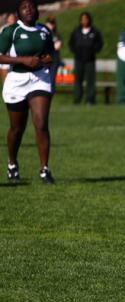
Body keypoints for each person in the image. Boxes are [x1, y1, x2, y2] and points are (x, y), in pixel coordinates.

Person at [0, 0, 55, 183]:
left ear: (37, 11)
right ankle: (12, 164)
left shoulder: (44, 31)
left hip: (40, 79)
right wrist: (23, 60)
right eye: (24, 7)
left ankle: (44, 169)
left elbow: (50, 54)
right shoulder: (11, 31)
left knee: (41, 123)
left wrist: (48, 59)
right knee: (17, 129)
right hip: (17, 80)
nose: (29, 9)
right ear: (19, 12)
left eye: (32, 6)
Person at [68, 12, 103, 106]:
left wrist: (93, 51)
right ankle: (77, 99)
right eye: (82, 19)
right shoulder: (76, 31)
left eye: (86, 19)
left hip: (90, 60)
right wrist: (76, 51)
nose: (84, 21)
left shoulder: (94, 31)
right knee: (78, 80)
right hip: (79, 59)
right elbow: (71, 43)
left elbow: (99, 44)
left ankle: (90, 100)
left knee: (90, 81)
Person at [45, 16, 62, 94]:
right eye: (48, 23)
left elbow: (57, 46)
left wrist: (49, 46)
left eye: (51, 23)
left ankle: (50, 93)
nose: (50, 25)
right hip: (44, 60)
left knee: (52, 78)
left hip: (54, 60)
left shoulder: (56, 35)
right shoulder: (42, 34)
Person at [0, 12, 17, 82]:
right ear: (7, 20)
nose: (12, 20)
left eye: (14, 18)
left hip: (15, 55)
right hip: (5, 55)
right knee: (6, 79)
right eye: (11, 18)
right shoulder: (3, 29)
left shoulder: (18, 29)